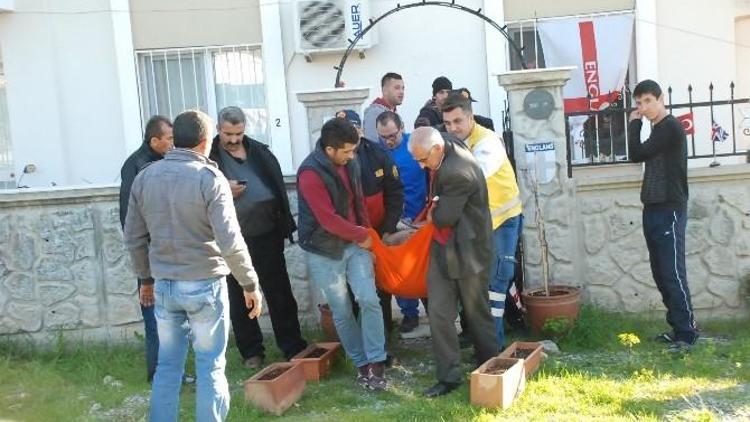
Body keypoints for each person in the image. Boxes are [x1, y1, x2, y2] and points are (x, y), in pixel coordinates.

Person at [124, 110, 263, 421]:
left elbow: (132, 237)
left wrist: (145, 279)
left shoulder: (145, 176)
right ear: (204, 143)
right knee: (210, 366)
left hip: (164, 286)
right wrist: (249, 283)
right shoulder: (209, 178)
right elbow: (230, 240)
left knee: (167, 368)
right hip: (204, 286)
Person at [208, 106, 307, 368]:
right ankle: (251, 352)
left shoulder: (259, 151)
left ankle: (292, 346)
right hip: (231, 239)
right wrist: (223, 190)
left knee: (280, 293)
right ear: (218, 129)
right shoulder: (209, 158)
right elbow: (198, 194)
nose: (233, 139)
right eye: (228, 133)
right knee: (240, 297)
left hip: (267, 233)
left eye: (238, 133)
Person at [297, 117, 387, 390]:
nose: (352, 155)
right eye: (347, 151)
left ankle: (377, 363)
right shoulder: (309, 173)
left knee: (370, 299)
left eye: (353, 150)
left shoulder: (352, 162)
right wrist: (364, 236)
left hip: (355, 243)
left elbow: (358, 203)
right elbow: (328, 220)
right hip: (323, 249)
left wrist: (368, 235)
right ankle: (361, 365)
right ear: (329, 150)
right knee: (342, 309)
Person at [408, 127, 497, 397]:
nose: (421, 166)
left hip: (468, 250)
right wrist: (435, 208)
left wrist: (435, 209)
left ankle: (490, 366)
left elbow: (444, 216)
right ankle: (449, 377)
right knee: (438, 312)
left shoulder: (457, 172)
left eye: (423, 160)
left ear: (436, 149)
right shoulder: (443, 145)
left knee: (477, 313)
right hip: (443, 247)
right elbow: (439, 213)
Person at [442, 92, 523, 351]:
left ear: (470, 117)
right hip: (480, 224)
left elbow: (471, 178)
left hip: (503, 221)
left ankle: (494, 350)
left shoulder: (488, 142)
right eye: (447, 123)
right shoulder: (453, 145)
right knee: (482, 287)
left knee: (496, 285)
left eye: (458, 121)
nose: (453, 128)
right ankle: (488, 347)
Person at [628, 79, 698, 353]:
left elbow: (637, 153)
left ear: (660, 100)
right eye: (638, 103)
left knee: (672, 273)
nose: (642, 107)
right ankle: (679, 327)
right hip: (653, 209)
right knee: (660, 273)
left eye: (647, 101)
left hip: (670, 208)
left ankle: (687, 333)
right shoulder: (658, 129)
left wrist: (634, 123)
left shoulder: (669, 127)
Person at [336, 109, 405, 336]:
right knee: (351, 288)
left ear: (361, 130)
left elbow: (395, 192)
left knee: (380, 287)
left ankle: (384, 336)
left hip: (378, 233)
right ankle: (358, 339)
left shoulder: (378, 155)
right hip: (346, 236)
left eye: (353, 130)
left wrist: (387, 229)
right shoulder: (327, 162)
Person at [118, 114, 173, 383]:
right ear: (155, 140)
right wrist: (145, 273)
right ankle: (159, 374)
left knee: (168, 319)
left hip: (165, 253)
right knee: (155, 318)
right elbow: (130, 220)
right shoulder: (138, 167)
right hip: (150, 256)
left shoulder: (162, 161)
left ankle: (168, 372)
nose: (175, 144)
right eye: (170, 139)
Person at [376, 110, 430, 333]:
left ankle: (433, 309)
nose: (389, 140)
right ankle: (409, 314)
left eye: (392, 135)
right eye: (383, 137)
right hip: (395, 221)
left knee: (424, 268)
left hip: (421, 218)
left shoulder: (416, 146)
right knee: (399, 267)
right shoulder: (378, 154)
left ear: (402, 128)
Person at [363, 72, 404, 141]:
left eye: (403, 88)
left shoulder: (393, 111)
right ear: (385, 90)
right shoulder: (374, 113)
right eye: (397, 88)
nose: (401, 92)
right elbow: (373, 143)